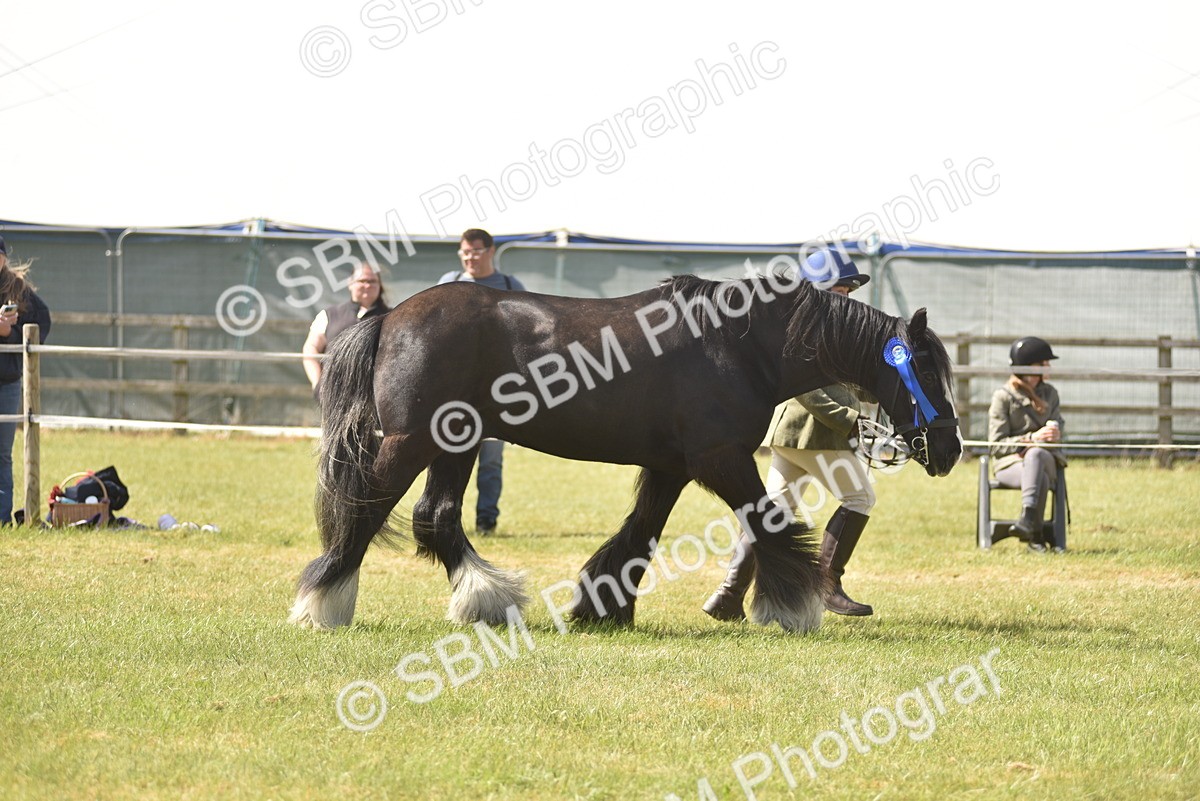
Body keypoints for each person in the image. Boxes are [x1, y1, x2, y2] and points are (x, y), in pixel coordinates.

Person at [703, 249, 878, 621]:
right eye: (840, 291)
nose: (846, 299)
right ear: (820, 290)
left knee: (771, 514)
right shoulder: (808, 328)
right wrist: (850, 420)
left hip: (789, 435)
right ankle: (829, 584)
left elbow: (844, 380)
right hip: (815, 434)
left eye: (849, 292)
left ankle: (728, 595)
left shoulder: (827, 326)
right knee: (860, 497)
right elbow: (808, 391)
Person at [437, 228, 527, 535]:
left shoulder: (509, 286)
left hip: (495, 393)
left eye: (476, 251)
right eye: (465, 251)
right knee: (444, 456)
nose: (469, 257)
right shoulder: (449, 284)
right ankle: (443, 517)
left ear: (490, 252)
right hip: (453, 390)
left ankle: (486, 520)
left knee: (490, 461)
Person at [988, 337, 1066, 552]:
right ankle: (1035, 534)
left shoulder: (1051, 394)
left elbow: (1059, 428)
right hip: (1009, 465)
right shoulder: (1002, 397)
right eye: (1044, 363)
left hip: (1047, 459)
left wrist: (1055, 433)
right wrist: (1031, 439)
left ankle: (1027, 519)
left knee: (1036, 456)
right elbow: (995, 445)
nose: (1049, 367)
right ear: (1029, 366)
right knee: (1036, 469)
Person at [0, 234, 52, 525]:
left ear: (5, 257)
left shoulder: (19, 289)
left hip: (6, 381)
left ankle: (2, 518)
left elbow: (41, 323)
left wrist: (11, 333)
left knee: (2, 454)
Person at [303, 259, 390, 397]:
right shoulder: (329, 315)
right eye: (362, 281)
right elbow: (310, 349)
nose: (367, 285)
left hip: (377, 397)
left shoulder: (391, 317)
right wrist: (317, 382)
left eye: (372, 281)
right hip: (334, 396)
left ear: (380, 285)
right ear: (350, 283)